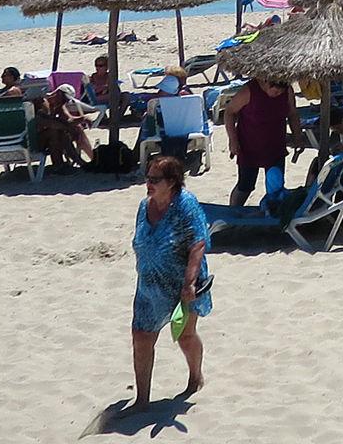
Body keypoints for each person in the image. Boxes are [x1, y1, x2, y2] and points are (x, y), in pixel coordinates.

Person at [128, 155, 209, 411]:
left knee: (185, 336)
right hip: (149, 286)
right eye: (147, 177)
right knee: (141, 337)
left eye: (155, 179)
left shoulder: (186, 205)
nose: (148, 183)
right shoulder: (144, 206)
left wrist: (190, 282)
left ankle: (195, 377)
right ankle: (142, 399)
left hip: (182, 283)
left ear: (172, 182)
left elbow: (197, 244)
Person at [224, 73, 304, 209]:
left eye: (280, 92)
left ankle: (272, 217)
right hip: (249, 146)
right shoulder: (249, 91)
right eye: (275, 91)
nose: (277, 94)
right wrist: (233, 140)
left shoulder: (287, 91)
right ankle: (233, 213)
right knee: (245, 186)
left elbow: (292, 114)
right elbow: (229, 112)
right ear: (267, 82)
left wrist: (298, 137)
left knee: (275, 185)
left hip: (275, 146)